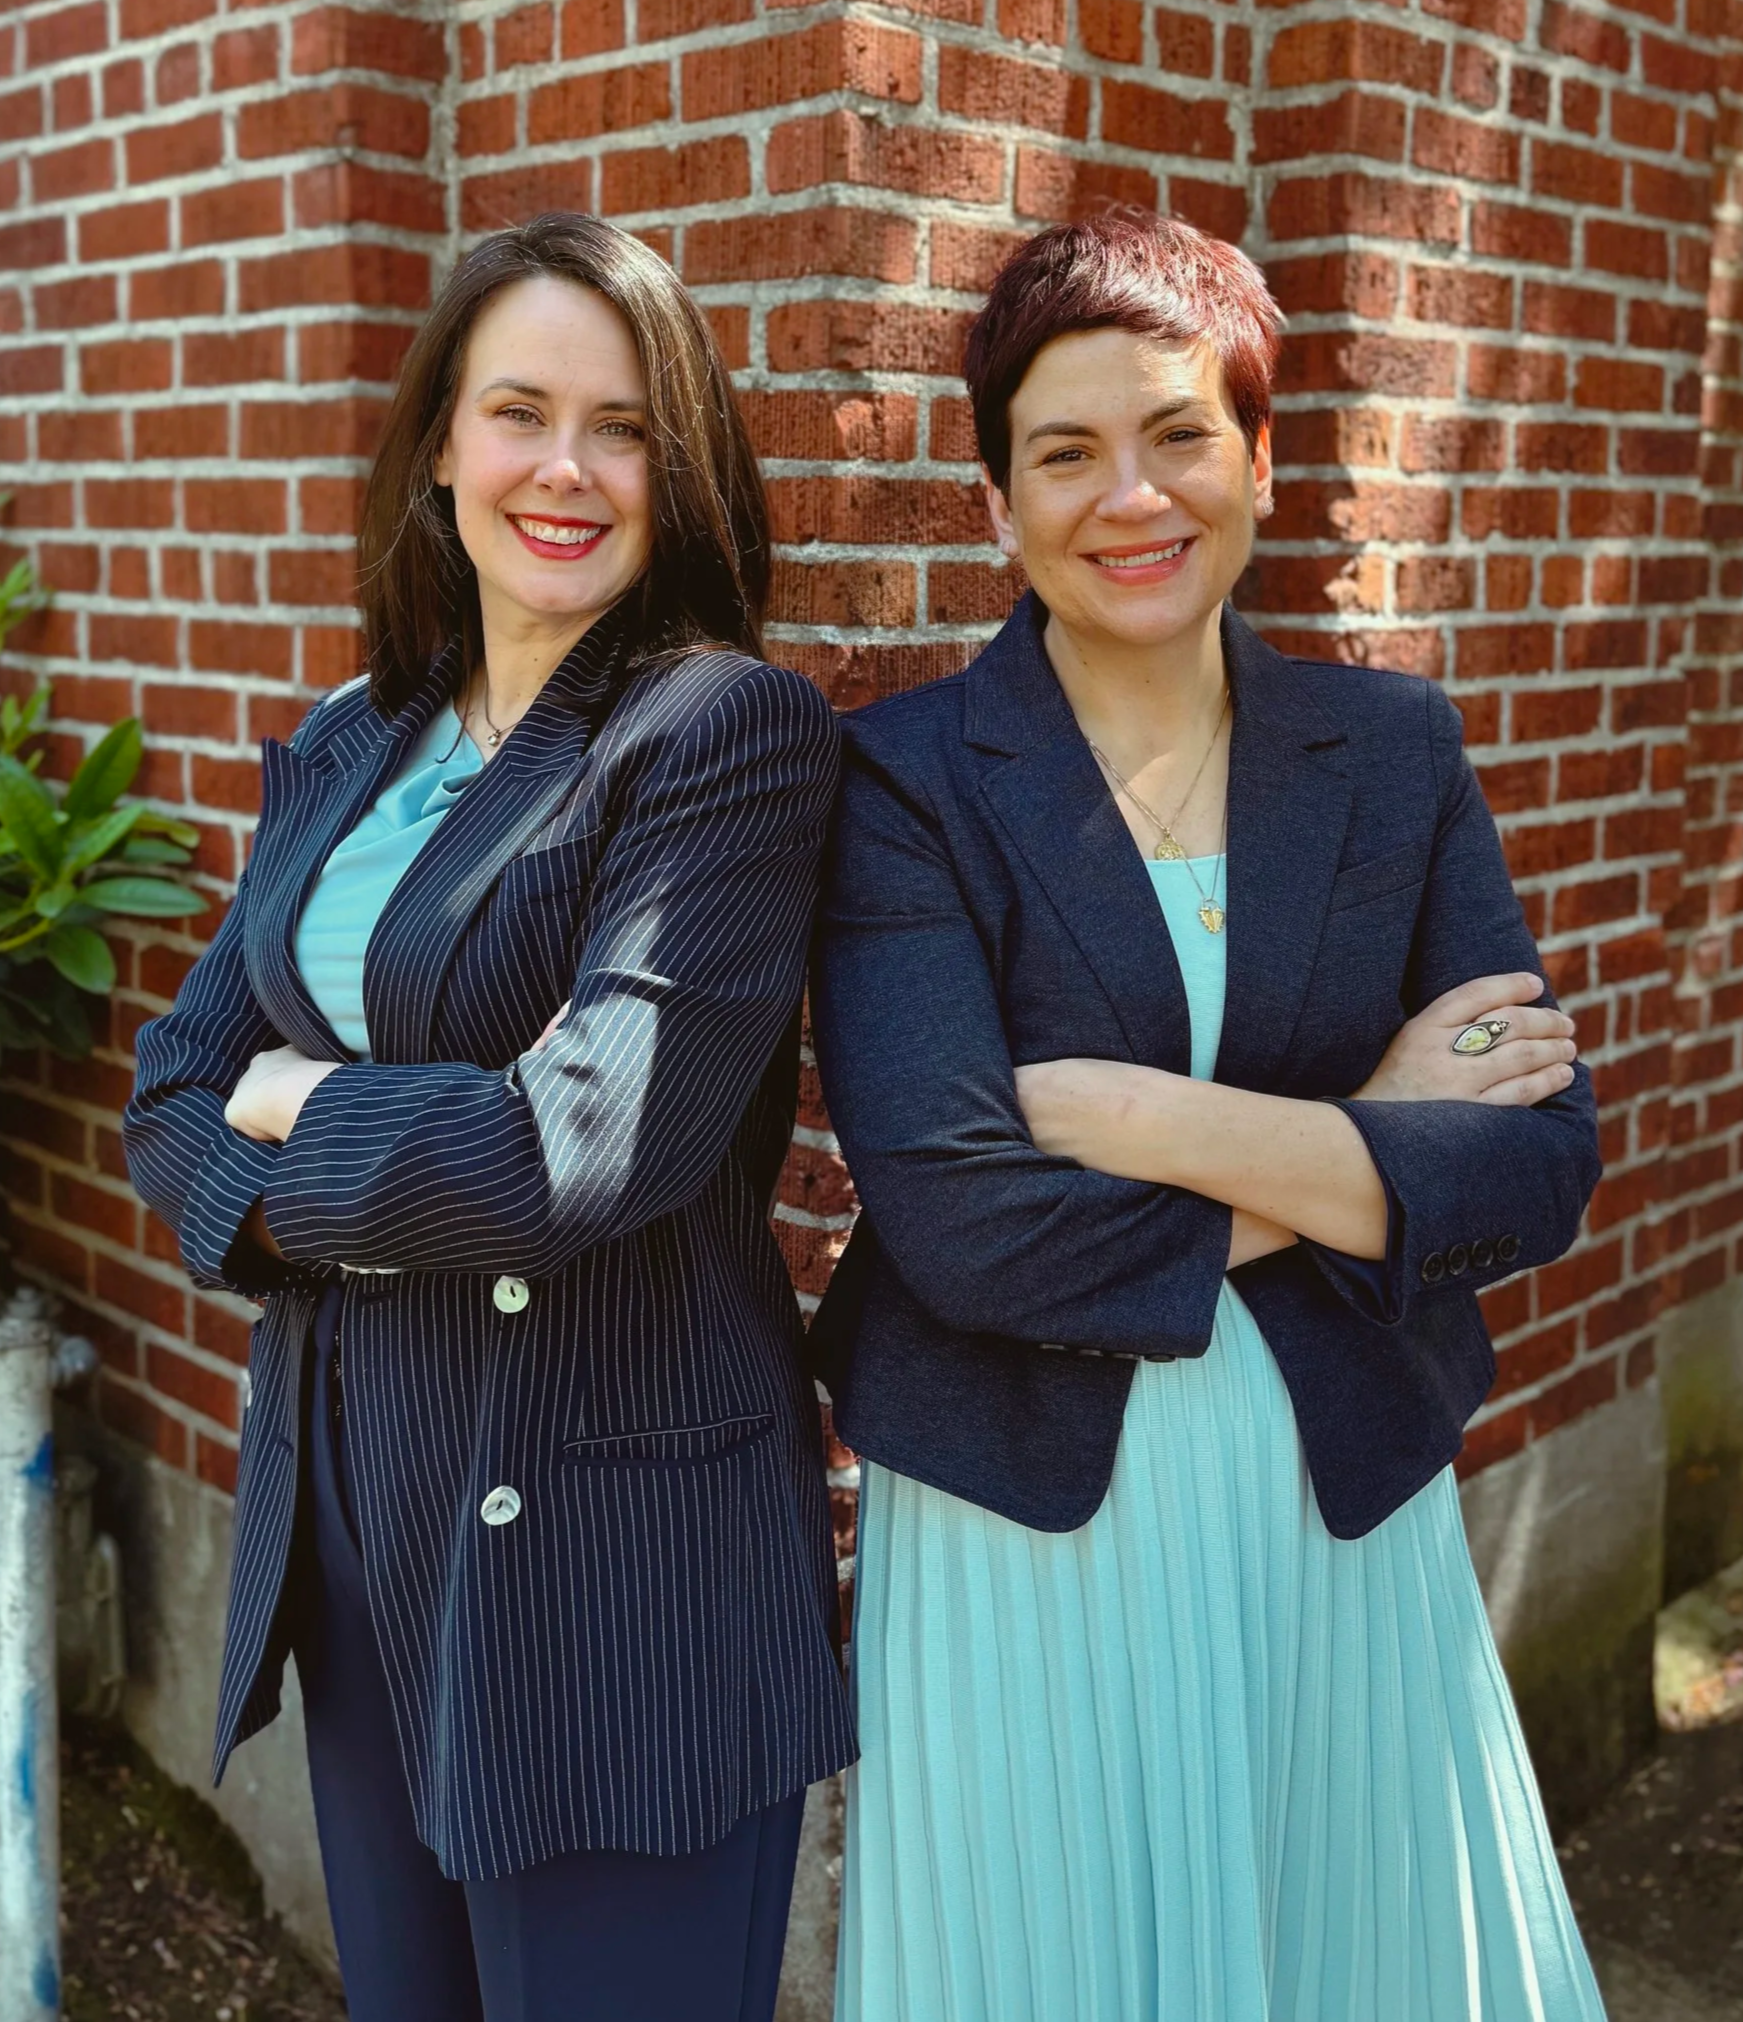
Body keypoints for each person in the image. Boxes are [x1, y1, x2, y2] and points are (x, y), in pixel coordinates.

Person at [810, 213, 1607, 2022]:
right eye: (1063, 452)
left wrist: (1136, 1116)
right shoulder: (905, 779)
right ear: (997, 501)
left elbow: (1541, 1158)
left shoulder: (1392, 755)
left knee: (1356, 1952)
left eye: (1177, 432)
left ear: (1259, 456)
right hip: (1030, 1512)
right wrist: (1371, 1141)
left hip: (1341, 1493)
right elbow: (964, 1227)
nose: (1129, 496)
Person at [122, 212, 855, 2022]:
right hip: (363, 1506)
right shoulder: (355, 735)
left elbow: (570, 1151)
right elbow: (169, 1092)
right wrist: (303, 1137)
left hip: (611, 1543)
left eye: (621, 427)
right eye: (518, 410)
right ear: (441, 437)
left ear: (676, 474)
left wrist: (297, 1110)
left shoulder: (718, 734)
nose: (565, 468)